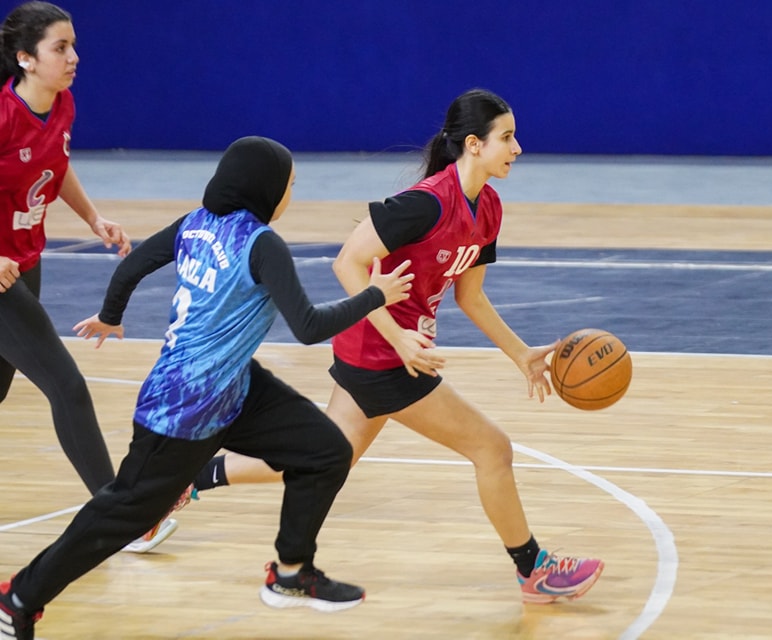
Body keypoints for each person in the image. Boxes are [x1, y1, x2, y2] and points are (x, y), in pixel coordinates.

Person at [191, 89, 604, 604]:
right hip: (383, 356)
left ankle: (193, 476)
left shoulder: (489, 208)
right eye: (507, 137)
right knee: (492, 449)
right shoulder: (425, 203)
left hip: (385, 352)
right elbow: (347, 262)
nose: (517, 148)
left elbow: (471, 297)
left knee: (328, 458)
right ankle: (533, 570)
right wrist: (399, 338)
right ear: (474, 144)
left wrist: (520, 354)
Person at [0, 135, 415, 639]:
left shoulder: (194, 223)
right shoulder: (263, 244)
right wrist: (375, 295)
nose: (292, 194)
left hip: (235, 389)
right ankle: (18, 599)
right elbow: (307, 327)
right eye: (290, 185)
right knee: (123, 514)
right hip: (183, 406)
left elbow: (131, 266)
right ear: (265, 188)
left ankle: (290, 573)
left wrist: (111, 315)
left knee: (326, 451)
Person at [0, 1, 180, 553]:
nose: (74, 56)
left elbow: (54, 166)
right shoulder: (3, 116)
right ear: (26, 58)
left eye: (74, 45)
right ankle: (123, 519)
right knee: (68, 386)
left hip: (26, 264)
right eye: (60, 48)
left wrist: (93, 218)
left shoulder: (61, 103)